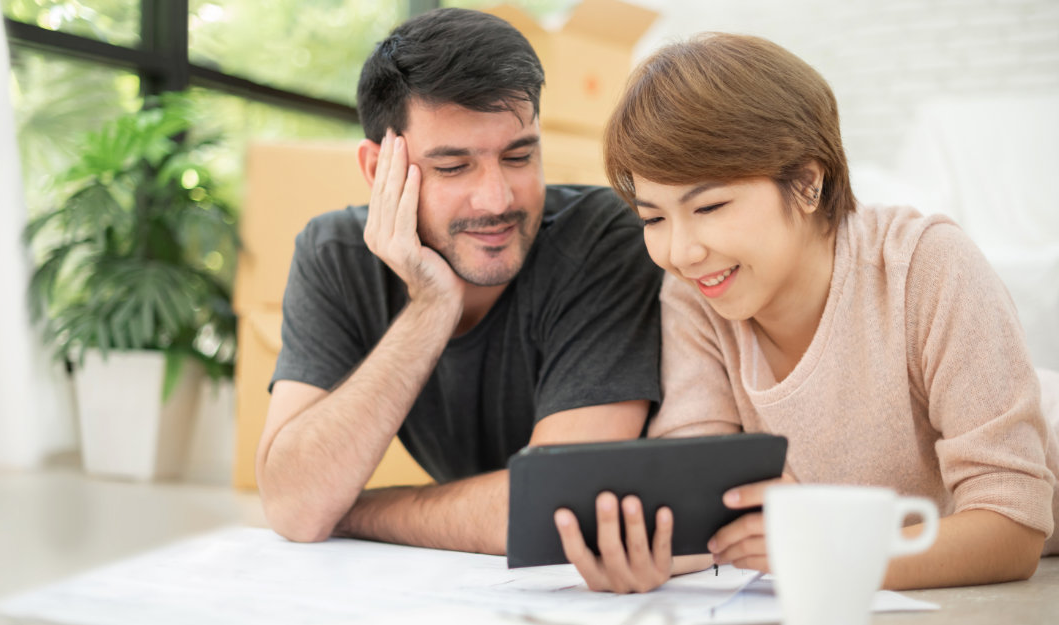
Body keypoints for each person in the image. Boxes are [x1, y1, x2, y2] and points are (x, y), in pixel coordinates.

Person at [556, 32, 1059, 593]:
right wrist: (655, 552)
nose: (680, 252)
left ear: (807, 182)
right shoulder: (696, 294)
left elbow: (1014, 531)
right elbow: (701, 496)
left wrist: (827, 553)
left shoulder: (925, 266)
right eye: (653, 219)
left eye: (711, 206)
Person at [254, 8, 667, 556]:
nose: (497, 200)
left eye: (519, 156)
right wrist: (430, 306)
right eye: (453, 167)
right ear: (380, 171)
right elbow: (292, 503)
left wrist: (354, 510)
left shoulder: (602, 239)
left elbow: (557, 504)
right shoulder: (334, 254)